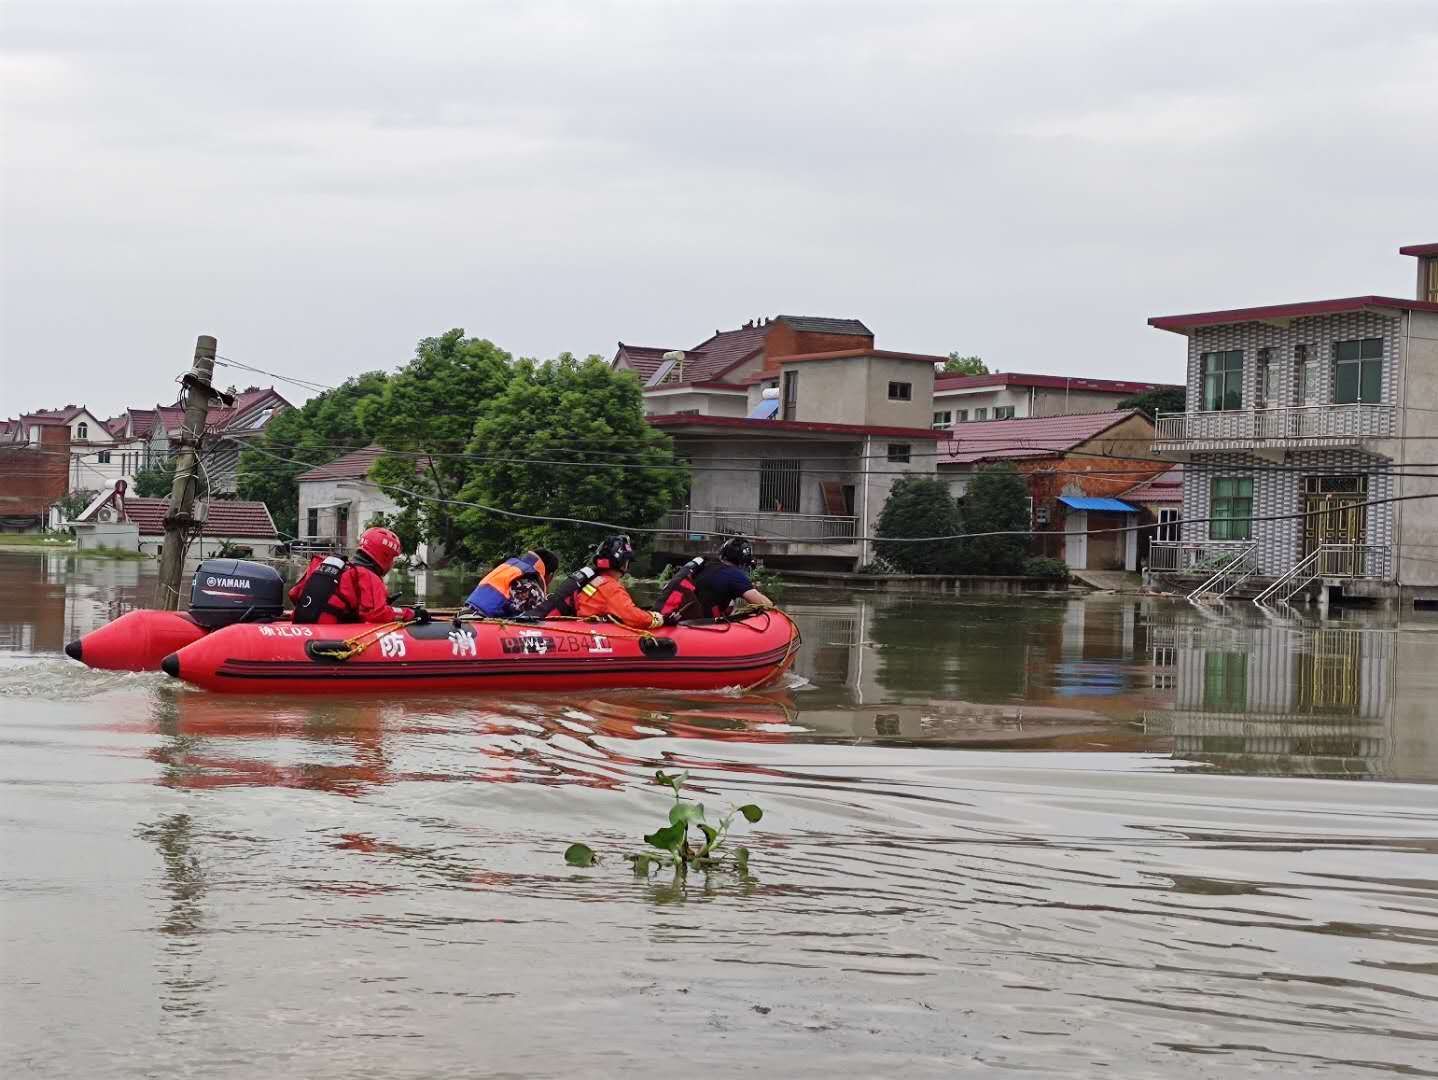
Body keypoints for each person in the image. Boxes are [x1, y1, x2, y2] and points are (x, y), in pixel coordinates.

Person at [289, 526, 429, 625]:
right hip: (325, 634)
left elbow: (294, 594)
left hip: (302, 624)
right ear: (384, 556)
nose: (392, 564)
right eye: (392, 559)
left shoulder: (327, 564)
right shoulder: (368, 576)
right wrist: (411, 614)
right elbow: (376, 614)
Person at [657, 537, 773, 622]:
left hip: (676, 620)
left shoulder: (704, 565)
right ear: (743, 563)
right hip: (697, 628)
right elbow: (765, 605)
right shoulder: (735, 575)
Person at [572, 534, 664, 630]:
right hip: (595, 631)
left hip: (585, 627)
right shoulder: (612, 588)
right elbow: (635, 617)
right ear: (623, 563)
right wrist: (656, 618)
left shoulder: (595, 581)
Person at [463, 548, 558, 617]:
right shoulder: (530, 588)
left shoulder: (509, 569)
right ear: (550, 575)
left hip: (466, 613)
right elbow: (535, 620)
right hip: (482, 623)